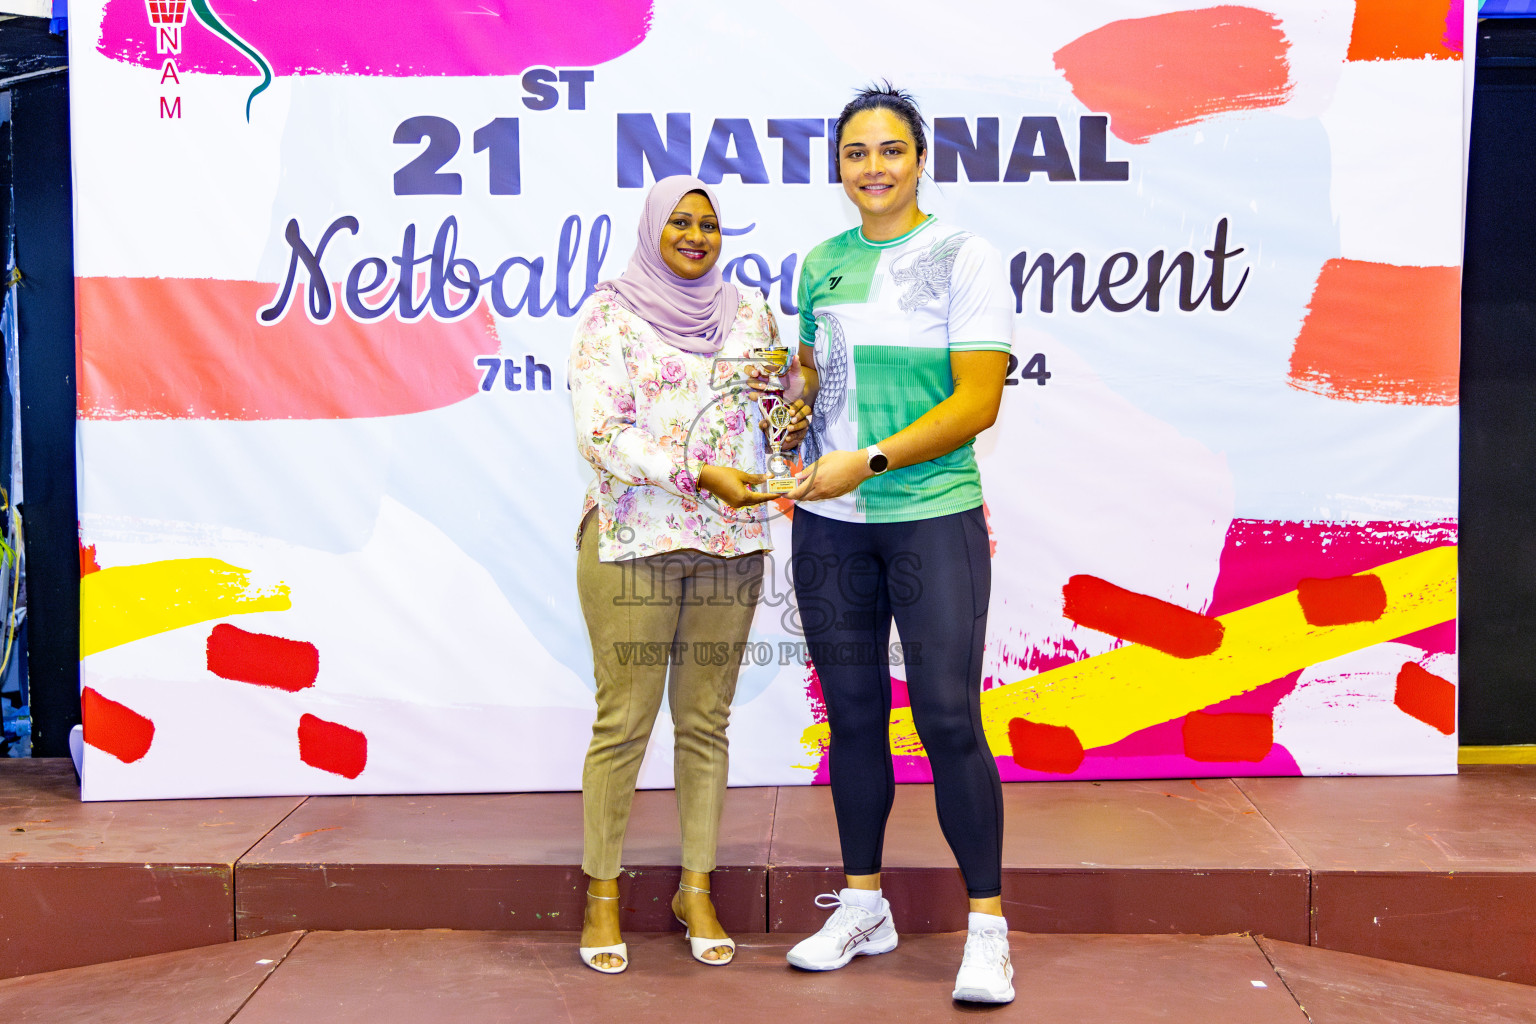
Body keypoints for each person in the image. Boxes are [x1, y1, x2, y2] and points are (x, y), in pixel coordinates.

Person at [782, 84, 1016, 1004]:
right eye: (854, 154)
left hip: (931, 511)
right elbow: (810, 380)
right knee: (851, 720)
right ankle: (863, 904)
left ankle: (988, 927)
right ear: (837, 167)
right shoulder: (820, 264)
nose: (871, 168)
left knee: (949, 719)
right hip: (830, 528)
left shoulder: (962, 255)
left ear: (920, 161)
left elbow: (976, 402)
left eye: (889, 151)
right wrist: (787, 400)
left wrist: (867, 460)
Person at [569, 175, 806, 974]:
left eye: (708, 223)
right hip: (635, 542)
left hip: (732, 548)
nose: (698, 235)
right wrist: (699, 473)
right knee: (624, 725)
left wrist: (794, 414)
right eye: (682, 222)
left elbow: (775, 413)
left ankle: (694, 889)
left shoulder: (752, 315)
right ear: (653, 229)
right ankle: (601, 897)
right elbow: (602, 432)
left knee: (705, 724)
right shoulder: (609, 316)